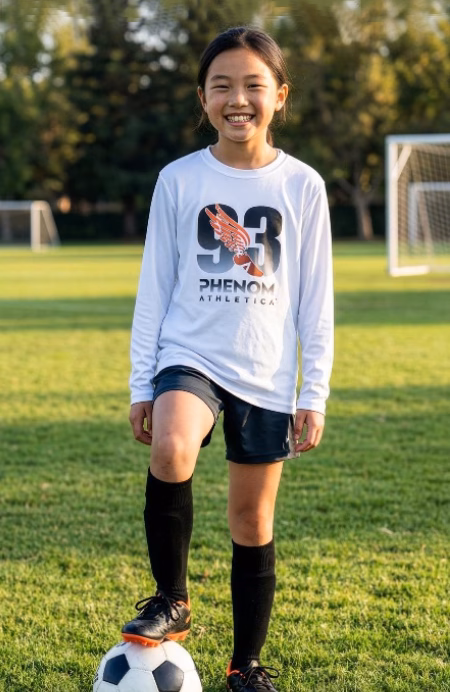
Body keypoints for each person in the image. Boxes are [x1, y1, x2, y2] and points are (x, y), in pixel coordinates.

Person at [122, 26, 334, 692]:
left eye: (252, 85)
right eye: (222, 86)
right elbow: (154, 288)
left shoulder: (302, 185)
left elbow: (315, 300)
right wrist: (141, 383)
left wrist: (313, 392)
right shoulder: (179, 179)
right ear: (203, 98)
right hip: (189, 355)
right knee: (171, 449)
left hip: (267, 374)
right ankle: (172, 598)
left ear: (280, 95)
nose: (237, 99)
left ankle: (245, 665)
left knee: (252, 521)